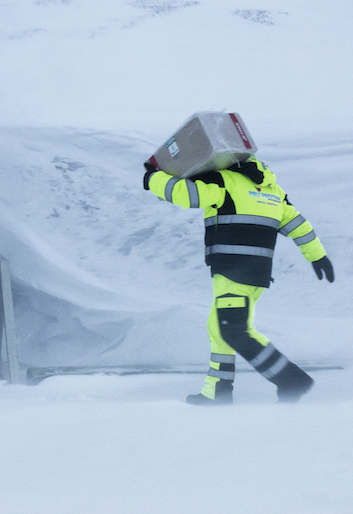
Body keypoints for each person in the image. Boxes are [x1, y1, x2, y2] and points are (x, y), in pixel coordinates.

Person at [143, 156, 335, 405]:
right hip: (256, 273)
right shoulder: (272, 191)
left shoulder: (225, 180)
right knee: (218, 327)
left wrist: (152, 178)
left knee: (233, 330)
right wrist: (317, 255)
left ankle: (290, 379)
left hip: (233, 271)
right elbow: (298, 225)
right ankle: (217, 392)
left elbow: (187, 194)